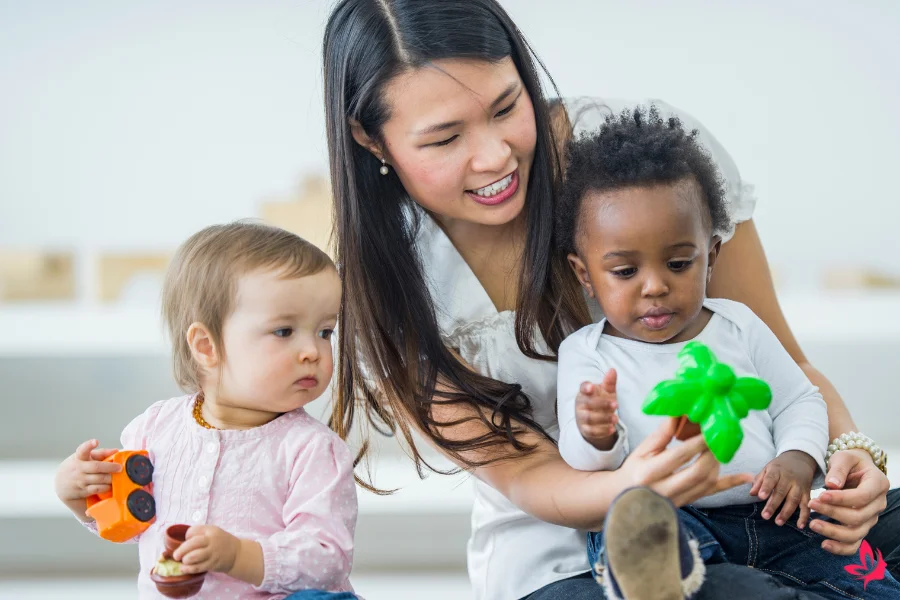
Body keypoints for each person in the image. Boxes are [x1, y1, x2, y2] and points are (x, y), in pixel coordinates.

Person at [321, 1, 898, 598]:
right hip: (563, 551)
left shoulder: (653, 165)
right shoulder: (388, 292)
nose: (494, 156)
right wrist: (638, 486)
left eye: (506, 106)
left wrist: (852, 458)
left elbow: (786, 368)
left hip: (767, 507)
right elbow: (528, 475)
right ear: (372, 139)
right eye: (444, 138)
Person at [555, 106, 899, 599]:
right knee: (639, 526)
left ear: (710, 255)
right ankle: (663, 579)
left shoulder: (738, 325)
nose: (655, 286)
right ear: (584, 274)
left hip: (779, 516)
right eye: (625, 272)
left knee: (870, 583)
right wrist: (596, 433)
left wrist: (798, 460)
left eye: (678, 263)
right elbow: (583, 464)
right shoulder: (587, 353)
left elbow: (800, 400)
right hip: (676, 516)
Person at [55, 222, 358, 599]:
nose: (312, 351)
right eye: (284, 331)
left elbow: (327, 560)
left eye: (325, 331)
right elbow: (130, 522)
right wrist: (81, 499)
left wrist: (239, 555)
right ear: (206, 346)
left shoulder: (311, 450)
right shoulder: (154, 429)